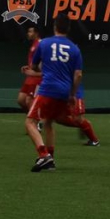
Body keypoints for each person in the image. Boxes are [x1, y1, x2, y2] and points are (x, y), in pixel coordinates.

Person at [25, 15, 82, 172]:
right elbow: (78, 75)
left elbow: (34, 66)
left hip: (48, 89)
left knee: (30, 122)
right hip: (64, 91)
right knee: (49, 122)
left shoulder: (44, 43)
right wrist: (72, 95)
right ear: (68, 29)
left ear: (55, 26)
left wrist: (36, 69)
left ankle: (44, 155)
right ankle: (50, 160)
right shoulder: (75, 48)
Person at [17, 25, 41, 112]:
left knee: (29, 101)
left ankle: (35, 118)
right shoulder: (34, 44)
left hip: (37, 78)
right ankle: (32, 116)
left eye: (30, 31)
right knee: (21, 100)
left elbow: (44, 61)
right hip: (30, 77)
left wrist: (37, 72)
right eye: (28, 31)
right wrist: (29, 66)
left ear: (36, 33)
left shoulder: (41, 44)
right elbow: (35, 61)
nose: (28, 34)